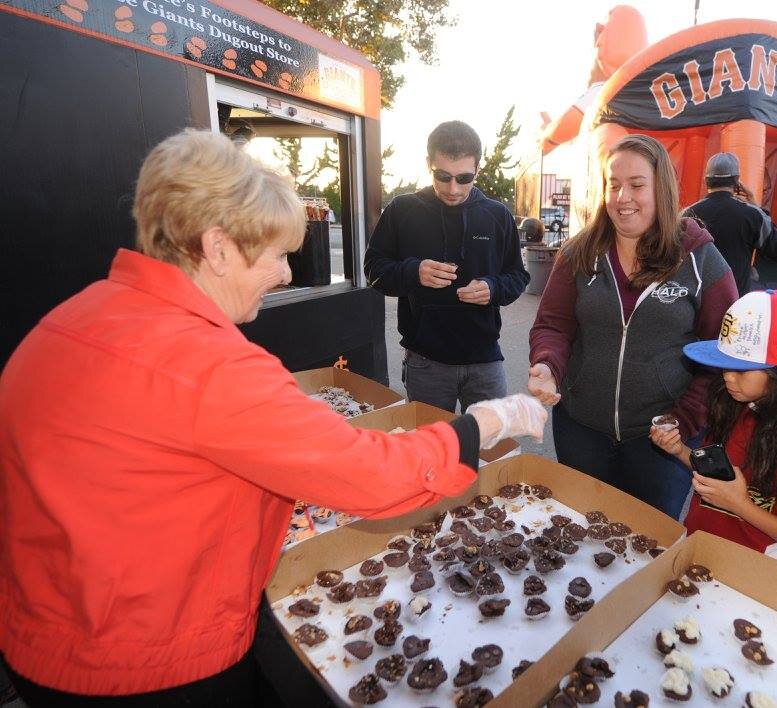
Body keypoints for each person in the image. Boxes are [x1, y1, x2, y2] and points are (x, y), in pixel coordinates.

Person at [0, 130, 547, 703]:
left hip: (44, 636)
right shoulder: (210, 365)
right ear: (217, 249)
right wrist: (486, 422)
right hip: (150, 659)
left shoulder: (64, 320)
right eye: (279, 254)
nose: (287, 274)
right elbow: (372, 475)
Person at [528, 134, 739, 519]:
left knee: (647, 547)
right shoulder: (579, 253)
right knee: (580, 536)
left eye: (637, 185)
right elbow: (553, 326)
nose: (622, 197)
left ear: (662, 188)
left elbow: (723, 354)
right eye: (614, 184)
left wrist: (683, 419)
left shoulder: (700, 259)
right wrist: (547, 366)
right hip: (581, 429)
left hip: (662, 442)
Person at [650, 289, 777, 564]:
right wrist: (679, 451)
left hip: (751, 575)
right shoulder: (736, 406)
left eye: (741, 370)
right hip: (698, 549)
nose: (728, 378)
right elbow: (720, 479)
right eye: (724, 365)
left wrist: (739, 505)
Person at [364, 121, 530, 413]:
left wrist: (493, 288)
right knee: (431, 453)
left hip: (485, 361)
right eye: (443, 176)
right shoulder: (403, 210)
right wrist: (413, 272)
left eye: (464, 178)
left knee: (490, 453)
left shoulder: (497, 215)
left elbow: (517, 276)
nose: (453, 189)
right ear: (429, 164)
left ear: (478, 168)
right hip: (426, 361)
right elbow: (374, 269)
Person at [681, 152, 777, 294]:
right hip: (735, 301)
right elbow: (776, 245)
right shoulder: (752, 214)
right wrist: (756, 206)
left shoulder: (687, 214)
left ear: (707, 180)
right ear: (737, 182)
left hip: (696, 300)